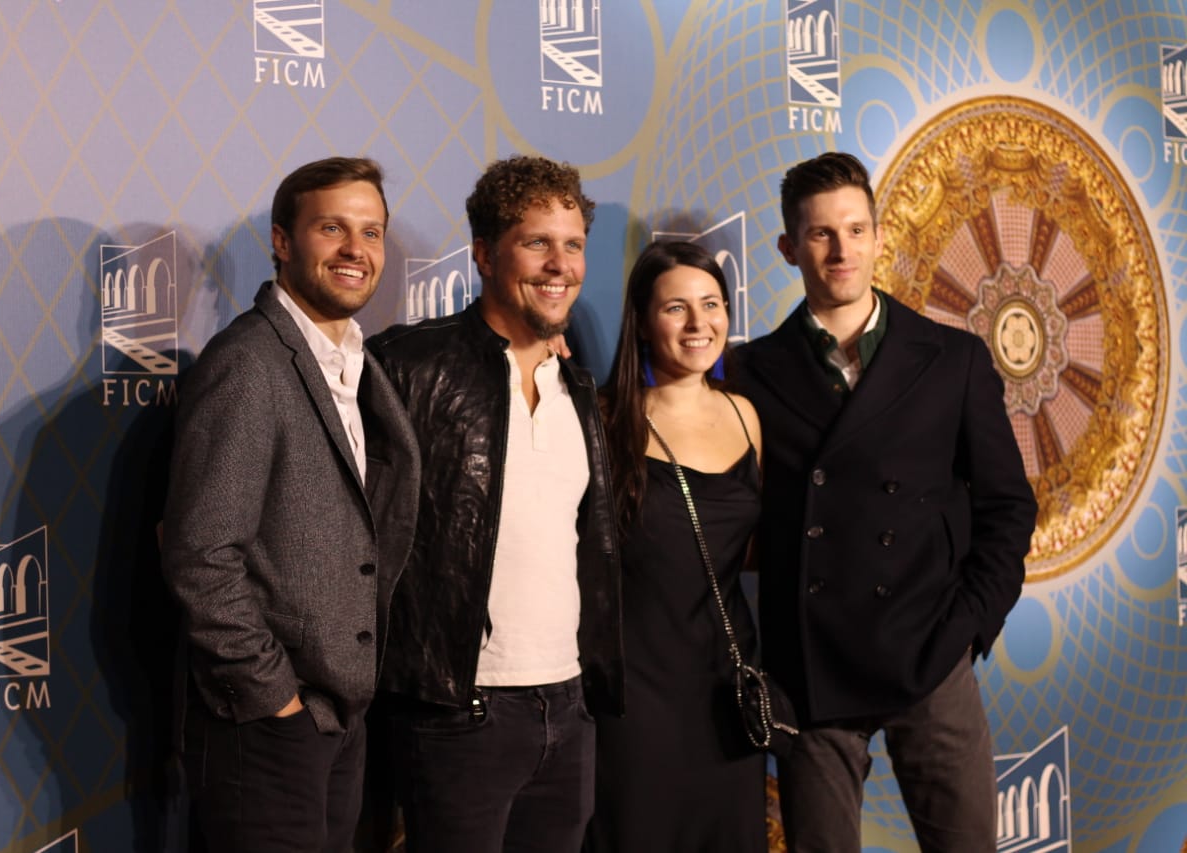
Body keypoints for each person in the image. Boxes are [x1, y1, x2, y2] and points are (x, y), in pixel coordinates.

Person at [732, 151, 1038, 852]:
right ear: (787, 248)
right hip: (811, 666)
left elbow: (1008, 506)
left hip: (930, 650)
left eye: (855, 230)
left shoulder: (953, 359)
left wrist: (968, 625)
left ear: (878, 236)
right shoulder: (750, 371)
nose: (841, 250)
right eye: (820, 233)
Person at [161, 156, 421, 853]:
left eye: (371, 232)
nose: (355, 249)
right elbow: (200, 554)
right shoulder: (248, 363)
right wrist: (274, 697)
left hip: (339, 719)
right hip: (267, 727)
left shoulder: (359, 364)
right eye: (332, 228)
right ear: (282, 241)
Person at [367, 155, 623, 853]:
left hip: (567, 707)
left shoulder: (578, 389)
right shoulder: (407, 368)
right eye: (537, 242)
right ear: (483, 255)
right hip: (458, 710)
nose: (560, 265)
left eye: (572, 244)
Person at [586, 240, 766, 853]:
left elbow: (744, 550)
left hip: (727, 693)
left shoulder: (745, 415)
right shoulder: (605, 420)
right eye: (676, 308)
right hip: (636, 700)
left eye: (711, 304)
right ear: (641, 322)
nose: (698, 324)